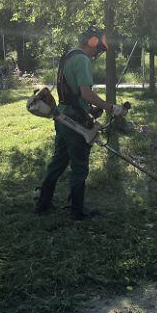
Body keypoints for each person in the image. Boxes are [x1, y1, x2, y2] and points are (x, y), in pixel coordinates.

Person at [34, 25, 128, 220]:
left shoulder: (68, 55)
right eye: (98, 48)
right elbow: (86, 92)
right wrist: (111, 108)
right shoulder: (83, 60)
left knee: (59, 161)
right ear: (92, 42)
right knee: (79, 165)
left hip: (61, 115)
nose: (97, 53)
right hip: (74, 120)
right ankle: (77, 211)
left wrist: (91, 109)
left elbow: (73, 93)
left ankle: (43, 203)